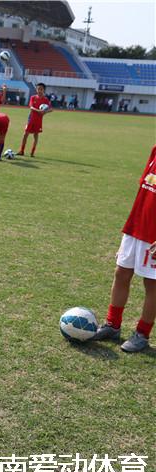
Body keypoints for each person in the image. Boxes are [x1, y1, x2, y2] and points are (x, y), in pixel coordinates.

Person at [93, 146, 156, 352]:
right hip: (136, 226)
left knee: (152, 284)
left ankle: (142, 334)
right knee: (121, 273)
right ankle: (112, 325)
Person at [18, 83, 51, 157]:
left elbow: (51, 109)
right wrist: (39, 111)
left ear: (44, 90)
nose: (39, 90)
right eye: (38, 89)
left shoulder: (45, 100)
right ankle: (21, 151)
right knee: (25, 134)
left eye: (41, 89)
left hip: (38, 120)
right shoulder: (33, 97)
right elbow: (31, 107)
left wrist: (45, 112)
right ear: (36, 89)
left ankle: (32, 152)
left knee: (36, 136)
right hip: (31, 119)